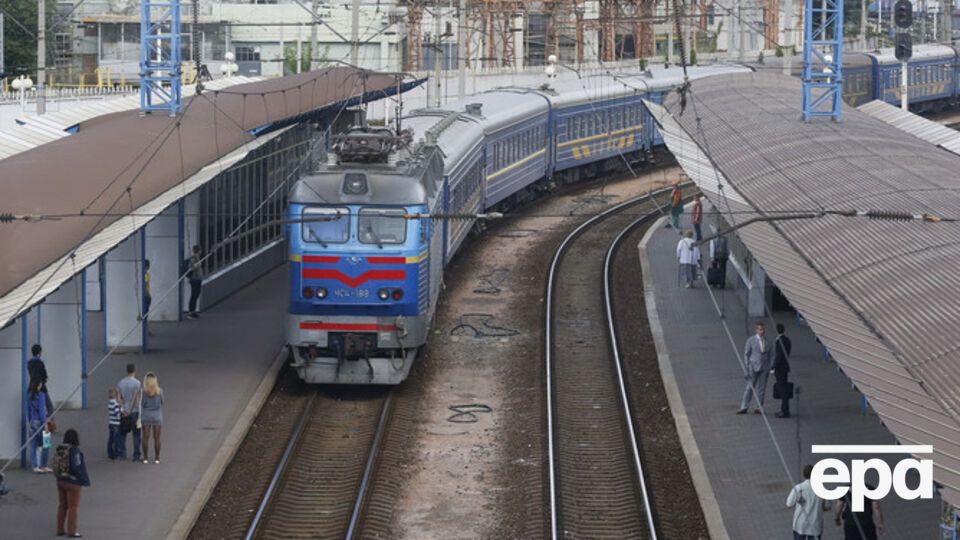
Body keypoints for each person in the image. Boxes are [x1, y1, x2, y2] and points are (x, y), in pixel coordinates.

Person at [54, 428, 90, 538]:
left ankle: (60, 529)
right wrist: (84, 480)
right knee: (73, 507)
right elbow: (77, 467)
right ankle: (72, 531)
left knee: (62, 505)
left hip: (60, 480)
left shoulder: (60, 449)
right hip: (73, 482)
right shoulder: (75, 451)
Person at [787, 464, 832, 540]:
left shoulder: (798, 488)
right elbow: (828, 506)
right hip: (815, 525)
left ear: (804, 475)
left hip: (800, 524)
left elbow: (789, 504)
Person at [738, 321, 771, 414]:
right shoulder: (751, 340)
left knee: (762, 389)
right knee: (749, 387)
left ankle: (759, 407)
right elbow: (746, 354)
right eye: (760, 329)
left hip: (764, 368)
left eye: (763, 329)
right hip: (753, 367)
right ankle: (744, 406)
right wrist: (747, 366)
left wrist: (770, 366)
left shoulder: (768, 341)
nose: (762, 331)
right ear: (756, 330)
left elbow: (771, 354)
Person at [116, 364, 142, 461]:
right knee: (136, 434)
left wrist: (123, 409)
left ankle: (122, 454)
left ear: (126, 371)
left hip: (124, 412)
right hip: (134, 411)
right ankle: (136, 455)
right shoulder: (137, 383)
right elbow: (136, 398)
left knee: (122, 434)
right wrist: (130, 410)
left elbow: (118, 398)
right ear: (134, 371)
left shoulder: (120, 383)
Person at [140, 372, 164, 464]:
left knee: (145, 437)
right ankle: (157, 458)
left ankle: (145, 458)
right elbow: (162, 402)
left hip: (146, 416)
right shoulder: (160, 391)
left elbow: (142, 403)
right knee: (157, 438)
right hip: (157, 416)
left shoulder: (144, 392)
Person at [28, 380, 51, 473]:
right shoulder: (41, 395)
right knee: (46, 443)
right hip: (41, 422)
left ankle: (35, 466)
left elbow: (29, 411)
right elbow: (42, 411)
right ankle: (44, 465)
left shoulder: (29, 395)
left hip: (33, 422)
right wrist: (45, 424)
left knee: (33, 444)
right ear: (39, 385)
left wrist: (31, 421)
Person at [27, 344, 55, 413]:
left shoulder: (29, 363)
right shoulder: (40, 363)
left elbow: (33, 375)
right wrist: (45, 380)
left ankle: (36, 420)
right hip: (40, 387)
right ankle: (48, 419)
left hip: (32, 387)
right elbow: (44, 376)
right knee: (49, 408)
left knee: (35, 408)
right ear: (39, 353)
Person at [773, 323, 793, 418]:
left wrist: (773, 367)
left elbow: (779, 356)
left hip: (780, 368)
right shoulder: (787, 340)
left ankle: (784, 411)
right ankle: (785, 410)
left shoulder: (779, 341)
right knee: (784, 386)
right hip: (785, 367)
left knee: (782, 389)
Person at [187, 245, 204, 318]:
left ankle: (193, 311)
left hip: (198, 279)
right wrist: (195, 266)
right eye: (200, 250)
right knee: (194, 295)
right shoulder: (193, 259)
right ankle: (191, 311)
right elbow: (191, 268)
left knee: (196, 295)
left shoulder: (197, 258)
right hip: (195, 279)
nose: (201, 251)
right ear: (199, 251)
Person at [106, 388, 122, 460]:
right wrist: (120, 409)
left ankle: (110, 453)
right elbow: (117, 414)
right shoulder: (115, 404)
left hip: (111, 423)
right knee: (116, 440)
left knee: (111, 439)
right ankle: (116, 454)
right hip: (116, 424)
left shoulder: (109, 403)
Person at [142, 259, 152, 330]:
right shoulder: (145, 275)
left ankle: (146, 328)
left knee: (145, 314)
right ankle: (145, 329)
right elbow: (145, 285)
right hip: (146, 296)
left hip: (146, 295)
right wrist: (147, 294)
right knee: (145, 314)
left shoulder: (145, 274)